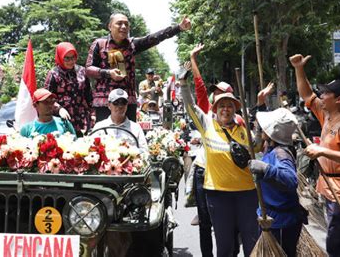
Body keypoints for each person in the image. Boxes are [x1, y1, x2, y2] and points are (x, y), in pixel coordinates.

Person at [289, 54, 340, 257]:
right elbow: (307, 96)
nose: (320, 97)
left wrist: (322, 150)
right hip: (330, 190)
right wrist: (298, 68)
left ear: (338, 100)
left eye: (325, 94)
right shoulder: (328, 115)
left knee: (336, 246)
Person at [180, 66, 259, 257]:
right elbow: (191, 107)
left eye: (230, 105)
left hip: (247, 195)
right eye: (221, 105)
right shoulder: (207, 125)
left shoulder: (245, 129)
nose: (226, 109)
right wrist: (183, 84)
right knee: (224, 246)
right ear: (215, 109)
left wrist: (261, 108)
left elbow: (258, 146)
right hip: (218, 195)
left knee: (251, 243)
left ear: (235, 109)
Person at [85, 13, 191, 122]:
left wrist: (178, 28)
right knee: (104, 136)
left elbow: (154, 38)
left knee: (129, 137)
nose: (124, 27)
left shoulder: (132, 45)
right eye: (119, 23)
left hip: (128, 102)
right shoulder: (99, 44)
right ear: (109, 26)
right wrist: (108, 73)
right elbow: (88, 69)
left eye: (126, 24)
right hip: (104, 101)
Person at [249, 108, 306, 257]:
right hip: (272, 216)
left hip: (282, 222)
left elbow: (290, 180)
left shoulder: (281, 153)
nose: (260, 129)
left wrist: (266, 169)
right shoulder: (271, 148)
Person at [45, 42, 93, 137]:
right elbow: (47, 98)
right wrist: (59, 109)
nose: (71, 61)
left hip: (82, 119)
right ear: (60, 57)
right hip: (63, 118)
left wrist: (93, 114)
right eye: (67, 58)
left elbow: (89, 95)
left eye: (73, 57)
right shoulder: (53, 74)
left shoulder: (82, 71)